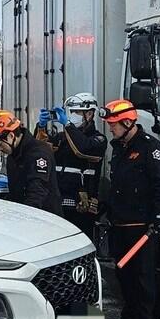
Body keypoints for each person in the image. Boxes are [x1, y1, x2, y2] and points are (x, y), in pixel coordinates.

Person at [100, 98, 160, 319]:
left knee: (143, 276)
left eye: (114, 125)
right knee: (124, 275)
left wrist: (158, 215)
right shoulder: (119, 147)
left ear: (128, 123)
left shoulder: (150, 147)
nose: (111, 129)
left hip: (141, 227)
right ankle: (129, 317)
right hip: (119, 222)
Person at [0, 109, 63, 214]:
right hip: (22, 214)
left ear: (11, 136)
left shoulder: (38, 153)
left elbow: (37, 192)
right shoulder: (13, 155)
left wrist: (24, 216)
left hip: (45, 217)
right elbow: (15, 192)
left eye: (0, 144)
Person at [54, 92, 106, 241]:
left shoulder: (98, 139)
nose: (72, 116)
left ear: (89, 114)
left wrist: (68, 126)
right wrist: (41, 127)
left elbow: (82, 149)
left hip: (82, 207)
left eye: (76, 112)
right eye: (71, 112)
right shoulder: (62, 137)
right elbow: (43, 149)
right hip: (60, 205)